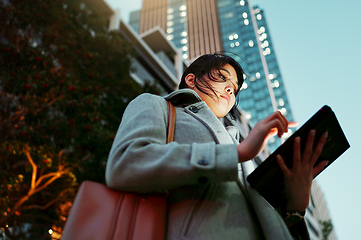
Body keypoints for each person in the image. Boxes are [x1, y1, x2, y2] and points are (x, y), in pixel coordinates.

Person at [105, 53, 328, 240]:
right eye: (222, 77)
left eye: (235, 88)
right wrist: (236, 153)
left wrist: (296, 208)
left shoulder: (240, 146)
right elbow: (125, 162)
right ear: (191, 80)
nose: (230, 90)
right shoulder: (156, 105)